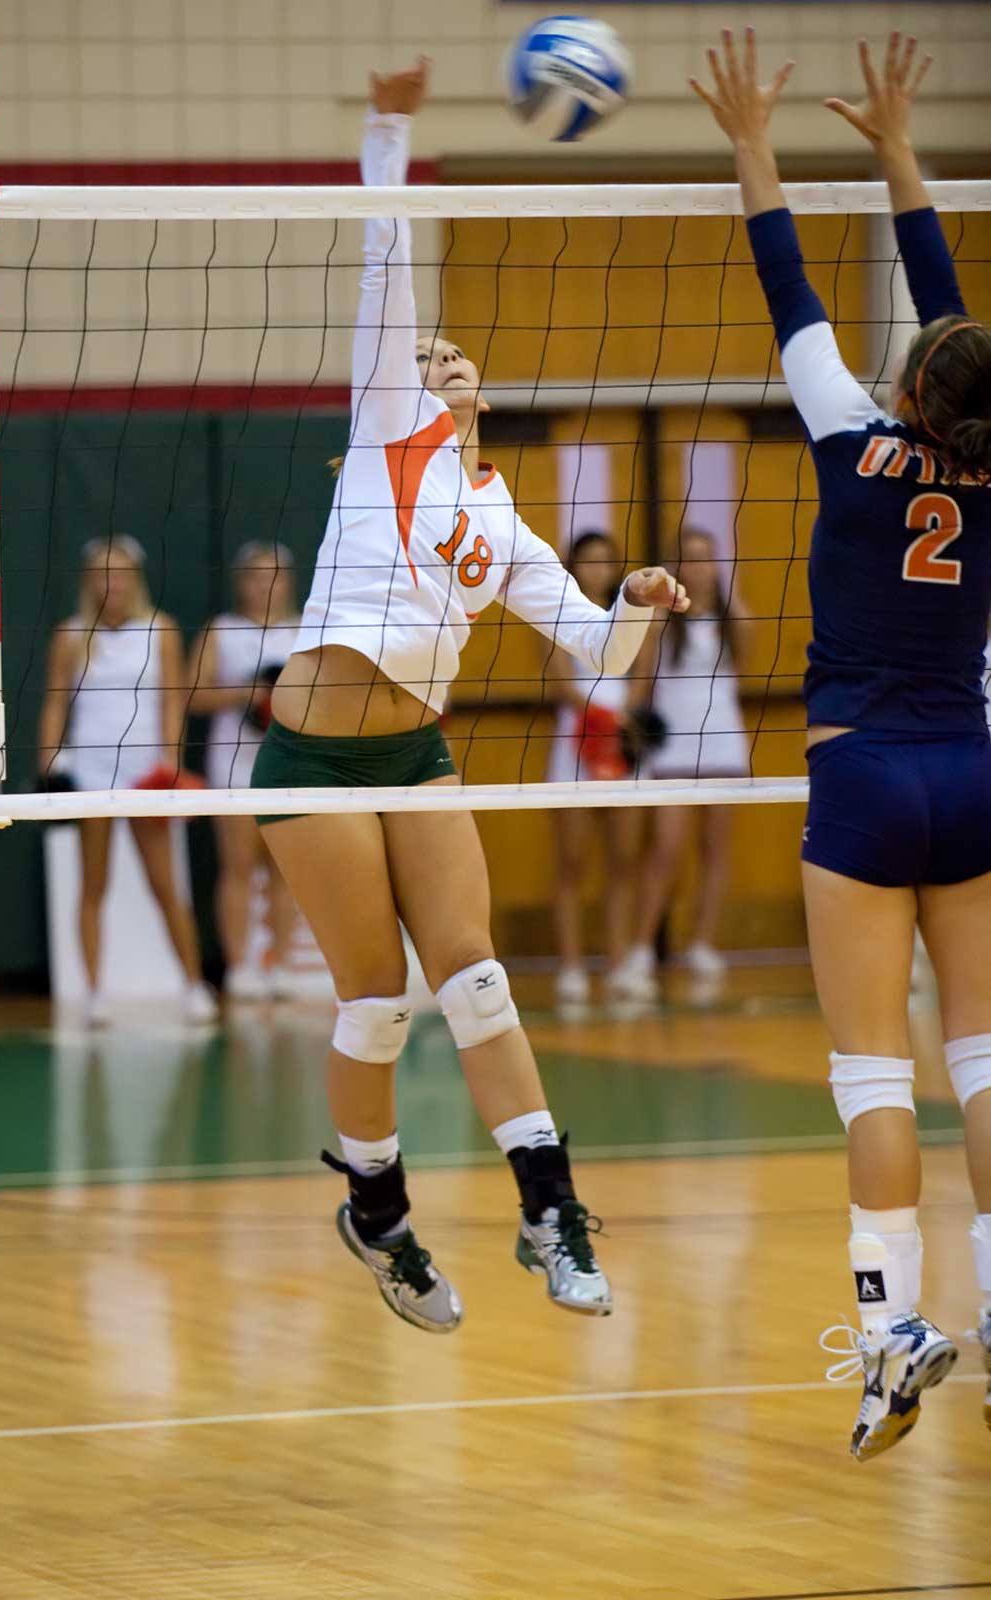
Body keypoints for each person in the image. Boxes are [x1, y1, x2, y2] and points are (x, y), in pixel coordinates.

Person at [250, 59, 688, 1334]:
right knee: (376, 998)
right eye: (423, 350)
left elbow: (596, 663)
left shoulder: (506, 528)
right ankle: (377, 1215)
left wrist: (640, 612)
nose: (432, 355)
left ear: (478, 391)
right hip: (311, 760)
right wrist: (389, 125)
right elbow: (386, 266)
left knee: (477, 980)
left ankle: (547, 1210)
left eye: (451, 354)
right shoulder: (389, 426)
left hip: (418, 759)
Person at [691, 29, 991, 1459]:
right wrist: (896, 153)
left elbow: (784, 278)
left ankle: (889, 1335)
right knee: (985, 1065)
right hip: (971, 771)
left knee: (871, 1075)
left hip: (862, 776)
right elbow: (954, 337)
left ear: (910, 392)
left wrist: (758, 139)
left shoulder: (844, 439)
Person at [38, 535, 218, 1027]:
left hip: (145, 775)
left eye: (118, 573)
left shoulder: (160, 630)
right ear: (89, 582)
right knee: (92, 884)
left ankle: (193, 986)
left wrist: (172, 765)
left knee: (166, 884)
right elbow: (56, 703)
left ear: (134, 580)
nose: (109, 583)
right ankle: (94, 995)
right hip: (91, 776)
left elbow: (171, 703)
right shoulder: (71, 634)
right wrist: (50, 763)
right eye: (100, 574)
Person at [622, 526, 753, 999]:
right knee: (665, 851)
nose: (698, 568)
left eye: (706, 558)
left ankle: (702, 943)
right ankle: (639, 951)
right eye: (690, 559)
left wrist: (731, 598)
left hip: (724, 744)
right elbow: (639, 683)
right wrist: (627, 730)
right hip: (674, 748)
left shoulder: (731, 618)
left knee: (716, 851)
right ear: (677, 567)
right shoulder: (660, 622)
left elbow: (749, 657)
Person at [188, 542, 301, 1000]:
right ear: (241, 583)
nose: (265, 586)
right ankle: (240, 969)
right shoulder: (222, 631)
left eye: (274, 575)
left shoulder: (306, 629)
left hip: (292, 763)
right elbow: (191, 695)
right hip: (234, 764)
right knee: (237, 868)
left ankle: (283, 968)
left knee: (286, 869)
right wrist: (250, 694)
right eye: (255, 576)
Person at [543, 530, 643, 1010]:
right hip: (574, 746)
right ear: (573, 567)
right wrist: (595, 718)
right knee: (571, 863)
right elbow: (557, 679)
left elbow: (641, 677)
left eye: (606, 561)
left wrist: (620, 724)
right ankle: (571, 966)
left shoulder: (630, 614)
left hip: (622, 747)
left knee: (624, 859)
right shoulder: (557, 613)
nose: (598, 569)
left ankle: (619, 963)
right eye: (589, 561)